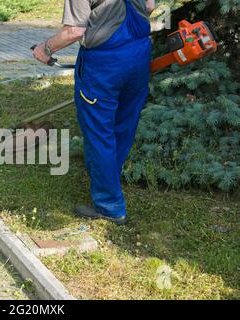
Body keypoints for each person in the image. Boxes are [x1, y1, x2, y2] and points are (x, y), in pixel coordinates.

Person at [33, 0, 156, 225]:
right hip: (139, 54)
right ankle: (108, 178)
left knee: (99, 132)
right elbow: (149, 7)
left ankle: (109, 205)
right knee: (123, 125)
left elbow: (74, 31)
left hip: (104, 63)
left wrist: (45, 49)